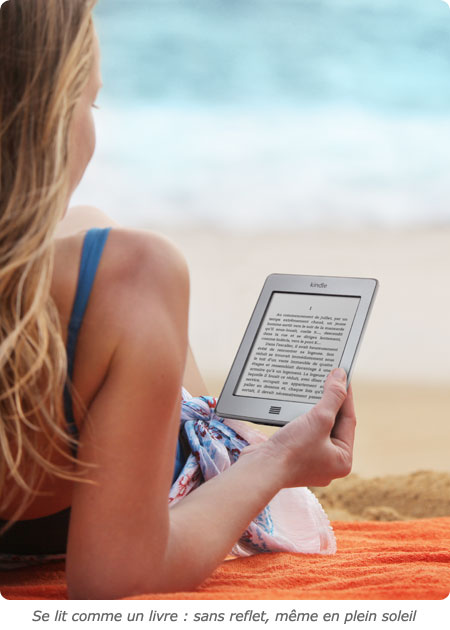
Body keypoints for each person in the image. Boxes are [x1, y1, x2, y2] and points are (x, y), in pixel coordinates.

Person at [0, 0, 356, 599]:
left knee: (88, 225)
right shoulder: (131, 272)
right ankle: (242, 435)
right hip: (107, 496)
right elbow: (115, 578)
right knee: (123, 267)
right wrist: (279, 463)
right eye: (89, 101)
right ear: (46, 114)